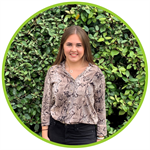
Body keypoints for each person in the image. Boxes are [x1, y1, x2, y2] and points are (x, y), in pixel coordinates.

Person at [41, 25, 107, 145]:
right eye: (69, 44)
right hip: (56, 132)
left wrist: (101, 137)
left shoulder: (95, 73)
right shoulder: (53, 71)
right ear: (63, 46)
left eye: (79, 45)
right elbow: (46, 104)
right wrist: (45, 133)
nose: (73, 49)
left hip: (85, 135)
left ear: (85, 47)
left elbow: (100, 106)